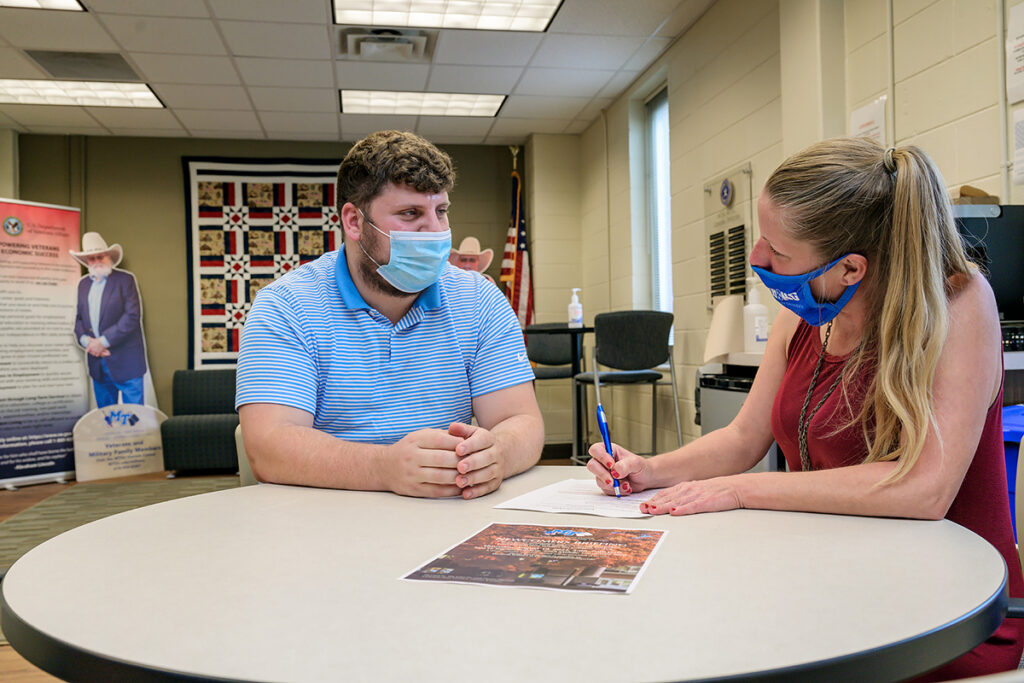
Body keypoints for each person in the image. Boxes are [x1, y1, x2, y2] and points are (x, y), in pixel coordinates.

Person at [587, 137, 1024, 678]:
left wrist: (742, 491)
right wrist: (649, 470)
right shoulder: (809, 315)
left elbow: (925, 489)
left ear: (851, 270)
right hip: (839, 580)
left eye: (777, 250)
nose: (756, 260)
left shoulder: (959, 303)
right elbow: (744, 439)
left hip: (946, 615)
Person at [236, 130, 544, 499]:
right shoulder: (286, 307)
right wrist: (384, 467)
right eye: (411, 213)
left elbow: (521, 421)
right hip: (323, 522)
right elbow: (269, 447)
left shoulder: (479, 300)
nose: (435, 231)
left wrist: (497, 455)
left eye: (441, 211)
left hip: (446, 513)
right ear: (354, 222)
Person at [71, 231, 148, 408]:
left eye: (100, 256)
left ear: (109, 257)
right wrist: (87, 343)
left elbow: (132, 317)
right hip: (97, 362)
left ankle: (133, 437)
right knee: (106, 420)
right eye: (91, 258)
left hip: (126, 361)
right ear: (86, 262)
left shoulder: (126, 280)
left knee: (134, 419)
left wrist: (102, 342)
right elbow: (79, 320)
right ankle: (112, 437)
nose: (96, 261)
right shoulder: (83, 285)